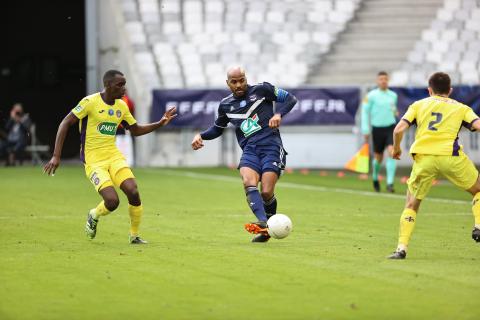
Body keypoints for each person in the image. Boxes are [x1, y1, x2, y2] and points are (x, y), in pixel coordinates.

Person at [43, 70, 177, 244]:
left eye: (125, 84)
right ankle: (94, 214)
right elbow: (65, 123)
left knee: (133, 191)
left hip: (114, 157)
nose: (123, 88)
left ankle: (134, 235)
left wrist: (160, 123)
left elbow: (135, 130)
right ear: (107, 85)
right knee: (112, 201)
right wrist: (56, 155)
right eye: (119, 85)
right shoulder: (89, 102)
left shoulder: (121, 106)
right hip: (94, 162)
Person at [191, 66, 297, 242]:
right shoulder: (225, 105)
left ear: (246, 79)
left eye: (242, 80)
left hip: (271, 146)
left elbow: (290, 99)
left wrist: (279, 114)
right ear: (228, 84)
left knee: (267, 192)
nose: (239, 84)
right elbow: (217, 129)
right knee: (248, 181)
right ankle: (263, 224)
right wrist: (200, 135)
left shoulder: (263, 90)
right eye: (234, 82)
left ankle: (266, 226)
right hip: (250, 150)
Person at [387, 72, 480, 259]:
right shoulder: (461, 108)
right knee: (478, 190)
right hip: (451, 156)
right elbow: (478, 125)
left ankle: (401, 248)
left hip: (425, 158)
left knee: (412, 203)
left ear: (430, 90)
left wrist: (396, 149)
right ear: (450, 90)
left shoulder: (419, 105)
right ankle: (478, 225)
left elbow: (398, 129)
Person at [361, 71, 398, 193]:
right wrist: (365, 129)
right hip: (377, 129)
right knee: (378, 158)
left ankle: (390, 183)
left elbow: (393, 109)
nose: (383, 81)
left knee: (392, 152)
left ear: (388, 80)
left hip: (390, 128)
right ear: (377, 81)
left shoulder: (393, 95)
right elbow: (364, 112)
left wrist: (394, 112)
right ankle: (375, 177)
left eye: (385, 79)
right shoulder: (370, 96)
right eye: (381, 79)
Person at [116, 92, 135, 166]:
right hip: (117, 127)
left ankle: (127, 161)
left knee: (124, 143)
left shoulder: (127, 101)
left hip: (123, 127)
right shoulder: (127, 100)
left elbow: (132, 111)